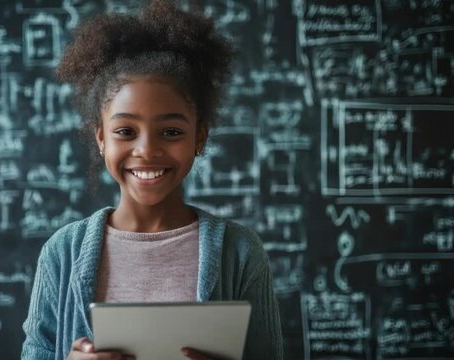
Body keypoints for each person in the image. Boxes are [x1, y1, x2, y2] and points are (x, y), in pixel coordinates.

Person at [21, 1, 283, 359]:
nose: (146, 150)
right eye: (126, 130)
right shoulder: (61, 253)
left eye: (171, 131)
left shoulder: (239, 253)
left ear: (200, 138)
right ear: (101, 139)